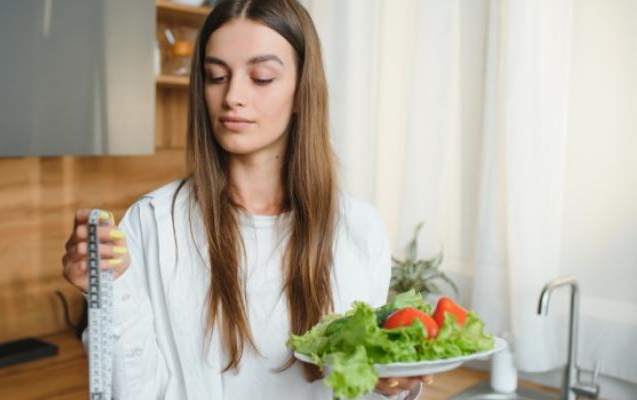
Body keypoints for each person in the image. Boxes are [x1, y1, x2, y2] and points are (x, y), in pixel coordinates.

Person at [62, 0, 430, 398]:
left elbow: (362, 388)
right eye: (216, 76)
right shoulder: (152, 222)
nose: (233, 96)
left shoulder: (359, 230)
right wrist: (105, 290)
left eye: (261, 77)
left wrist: (395, 387)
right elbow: (131, 391)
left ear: (302, 87)